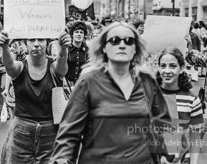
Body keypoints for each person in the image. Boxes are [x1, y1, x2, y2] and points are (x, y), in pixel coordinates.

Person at [50, 22, 171, 164]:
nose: (122, 45)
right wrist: (61, 160)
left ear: (135, 49)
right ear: (104, 48)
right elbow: (69, 135)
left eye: (129, 41)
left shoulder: (147, 82)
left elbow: (162, 124)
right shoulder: (88, 82)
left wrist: (165, 155)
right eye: (114, 40)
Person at [0, 30, 71, 163]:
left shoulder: (53, 67)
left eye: (41, 40)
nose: (36, 44)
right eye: (32, 40)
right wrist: (4, 47)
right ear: (26, 44)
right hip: (21, 132)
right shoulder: (20, 67)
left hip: (50, 133)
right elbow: (9, 65)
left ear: (47, 42)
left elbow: (62, 67)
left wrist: (64, 49)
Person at [156, 47, 204, 164]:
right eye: (163, 66)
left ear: (182, 68)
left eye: (173, 66)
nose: (167, 71)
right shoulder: (149, 96)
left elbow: (195, 137)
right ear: (158, 68)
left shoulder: (192, 100)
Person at [66, 21, 89, 85]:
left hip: (82, 85)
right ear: (72, 34)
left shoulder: (87, 50)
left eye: (81, 32)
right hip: (67, 85)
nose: (79, 34)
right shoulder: (66, 49)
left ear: (84, 35)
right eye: (76, 32)